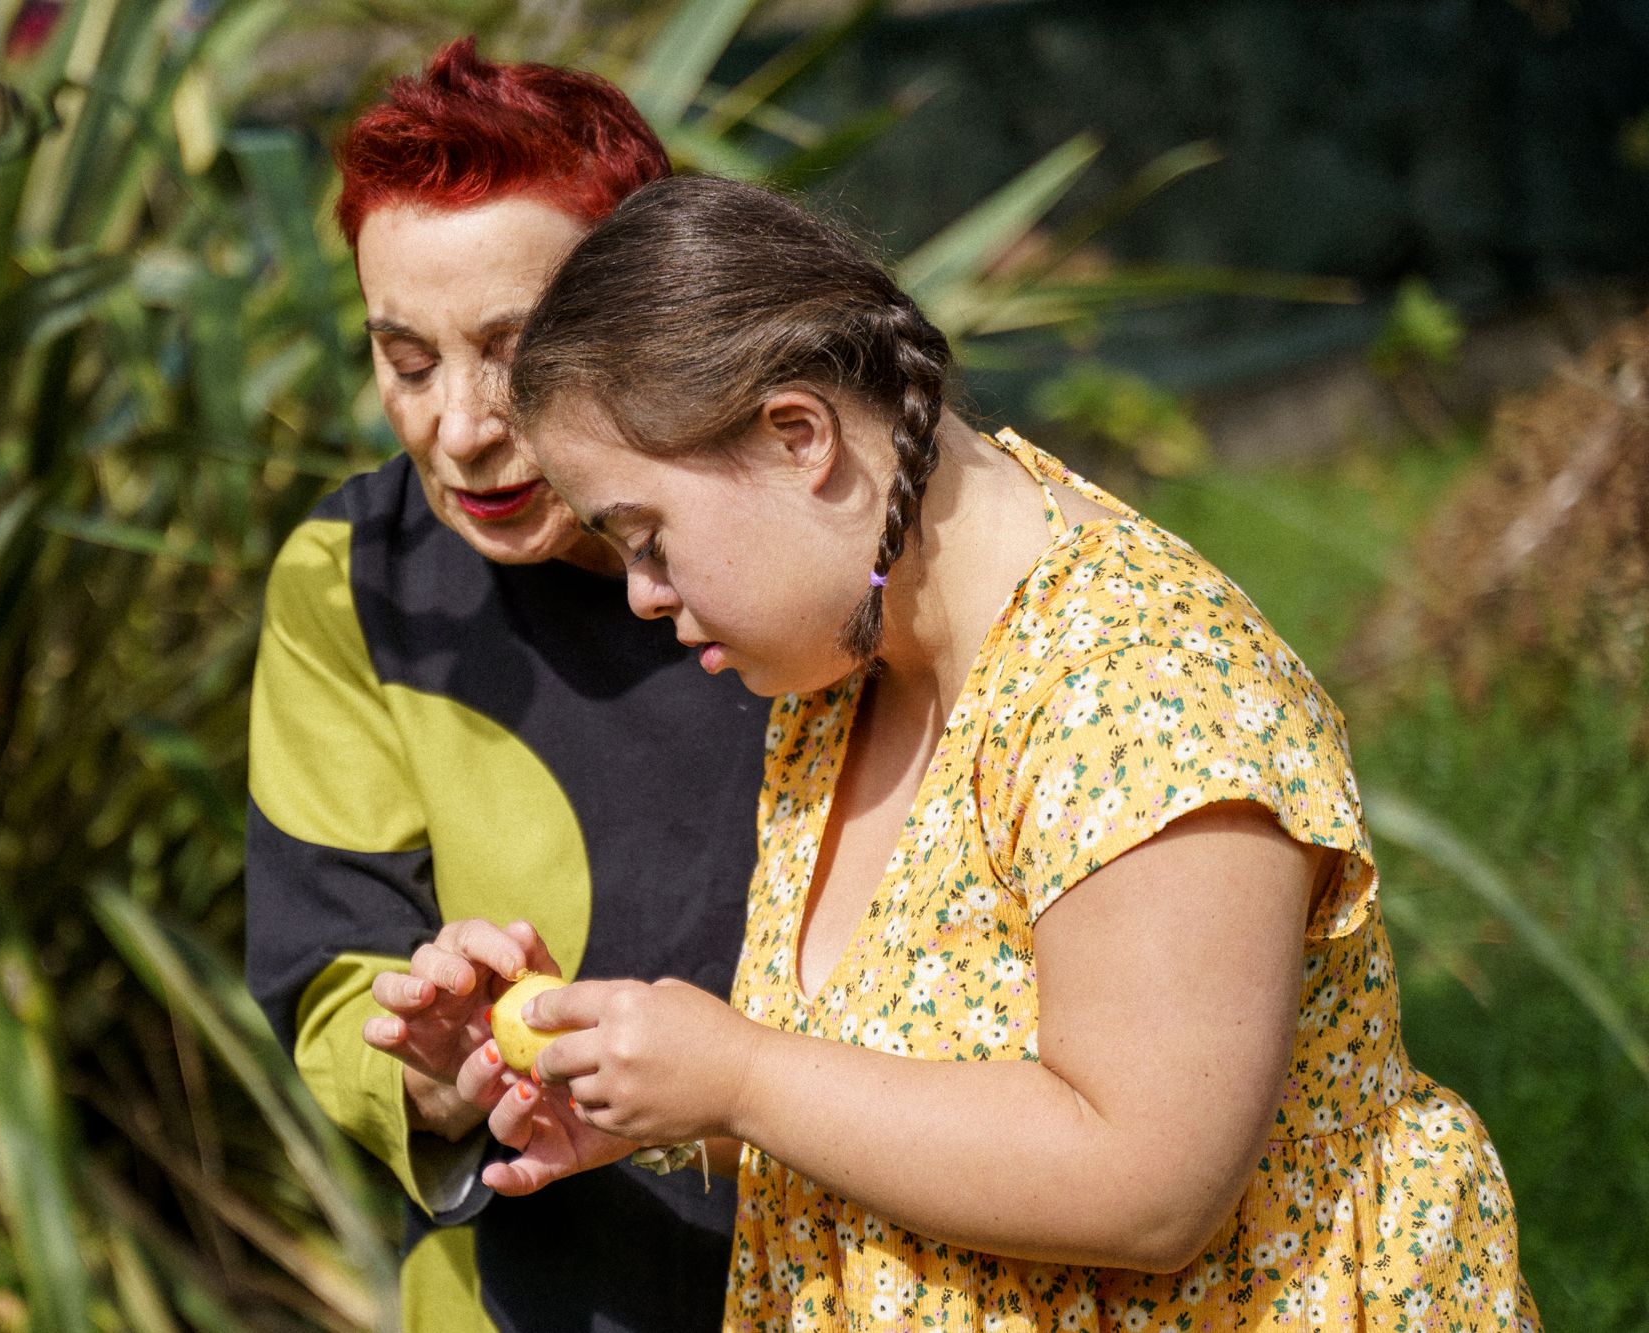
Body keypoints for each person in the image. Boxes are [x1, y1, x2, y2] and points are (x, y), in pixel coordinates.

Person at [472, 175, 1541, 1330]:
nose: (640, 593)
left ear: (798, 437)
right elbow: (908, 1090)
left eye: (648, 535)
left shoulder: (1139, 687)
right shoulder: (849, 663)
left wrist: (743, 1076)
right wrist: (662, 1104)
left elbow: (1144, 1180)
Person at [243, 46, 767, 1332]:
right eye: (407, 361)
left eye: (514, 351)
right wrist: (428, 1069)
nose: (463, 427)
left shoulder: (812, 540)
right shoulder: (350, 579)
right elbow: (329, 971)